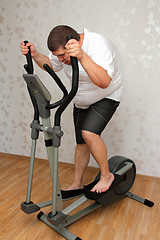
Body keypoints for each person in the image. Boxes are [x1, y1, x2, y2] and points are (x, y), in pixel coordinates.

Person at [20, 25, 123, 194]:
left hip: (107, 94)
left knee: (89, 134)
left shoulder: (98, 44)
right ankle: (77, 183)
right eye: (57, 56)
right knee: (81, 143)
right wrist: (35, 54)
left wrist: (81, 56)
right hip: (81, 100)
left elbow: (104, 82)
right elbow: (51, 66)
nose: (60, 59)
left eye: (62, 55)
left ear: (74, 43)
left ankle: (106, 176)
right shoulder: (63, 54)